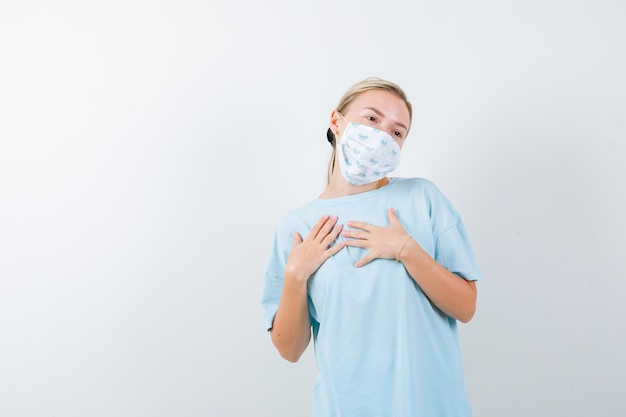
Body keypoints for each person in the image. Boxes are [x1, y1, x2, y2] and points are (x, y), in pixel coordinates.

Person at [261, 77, 482, 417]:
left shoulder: (422, 198)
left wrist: (407, 249)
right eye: (372, 119)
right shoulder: (297, 227)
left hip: (431, 405)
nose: (382, 135)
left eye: (397, 132)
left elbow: (465, 307)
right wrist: (295, 275)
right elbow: (289, 350)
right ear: (337, 122)